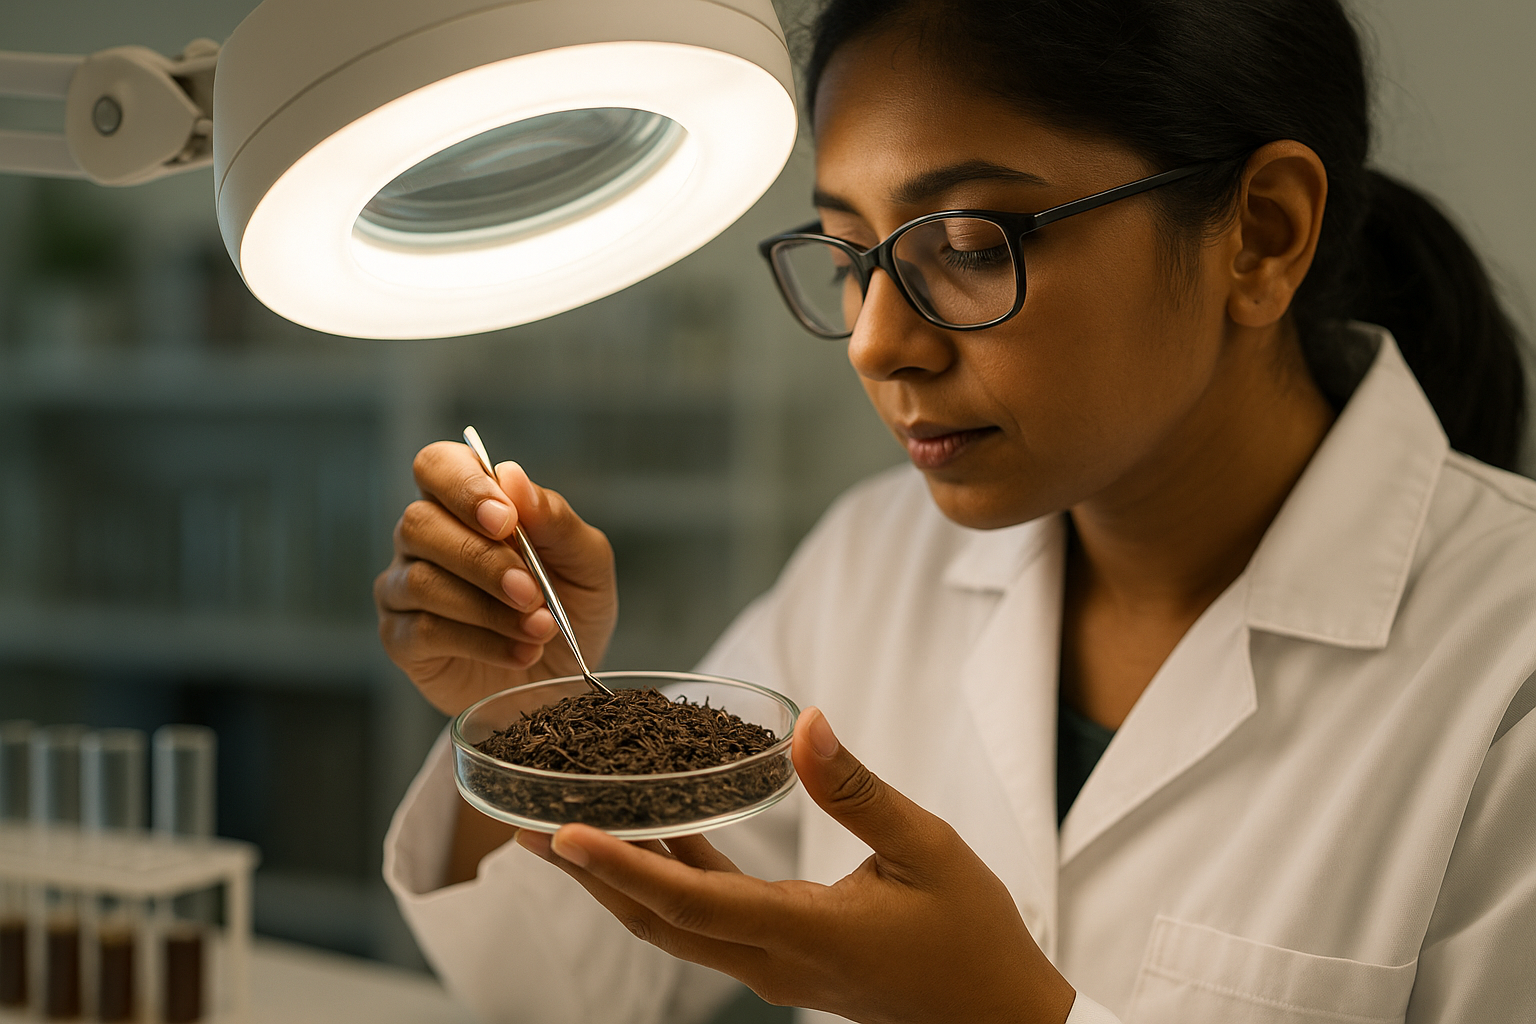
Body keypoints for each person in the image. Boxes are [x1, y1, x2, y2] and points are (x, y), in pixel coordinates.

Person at [372, 0, 1536, 1021]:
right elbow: (577, 992)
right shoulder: (873, 563)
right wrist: (528, 719)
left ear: (1263, 232)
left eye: (971, 244)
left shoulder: (1508, 672)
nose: (879, 340)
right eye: (846, 253)